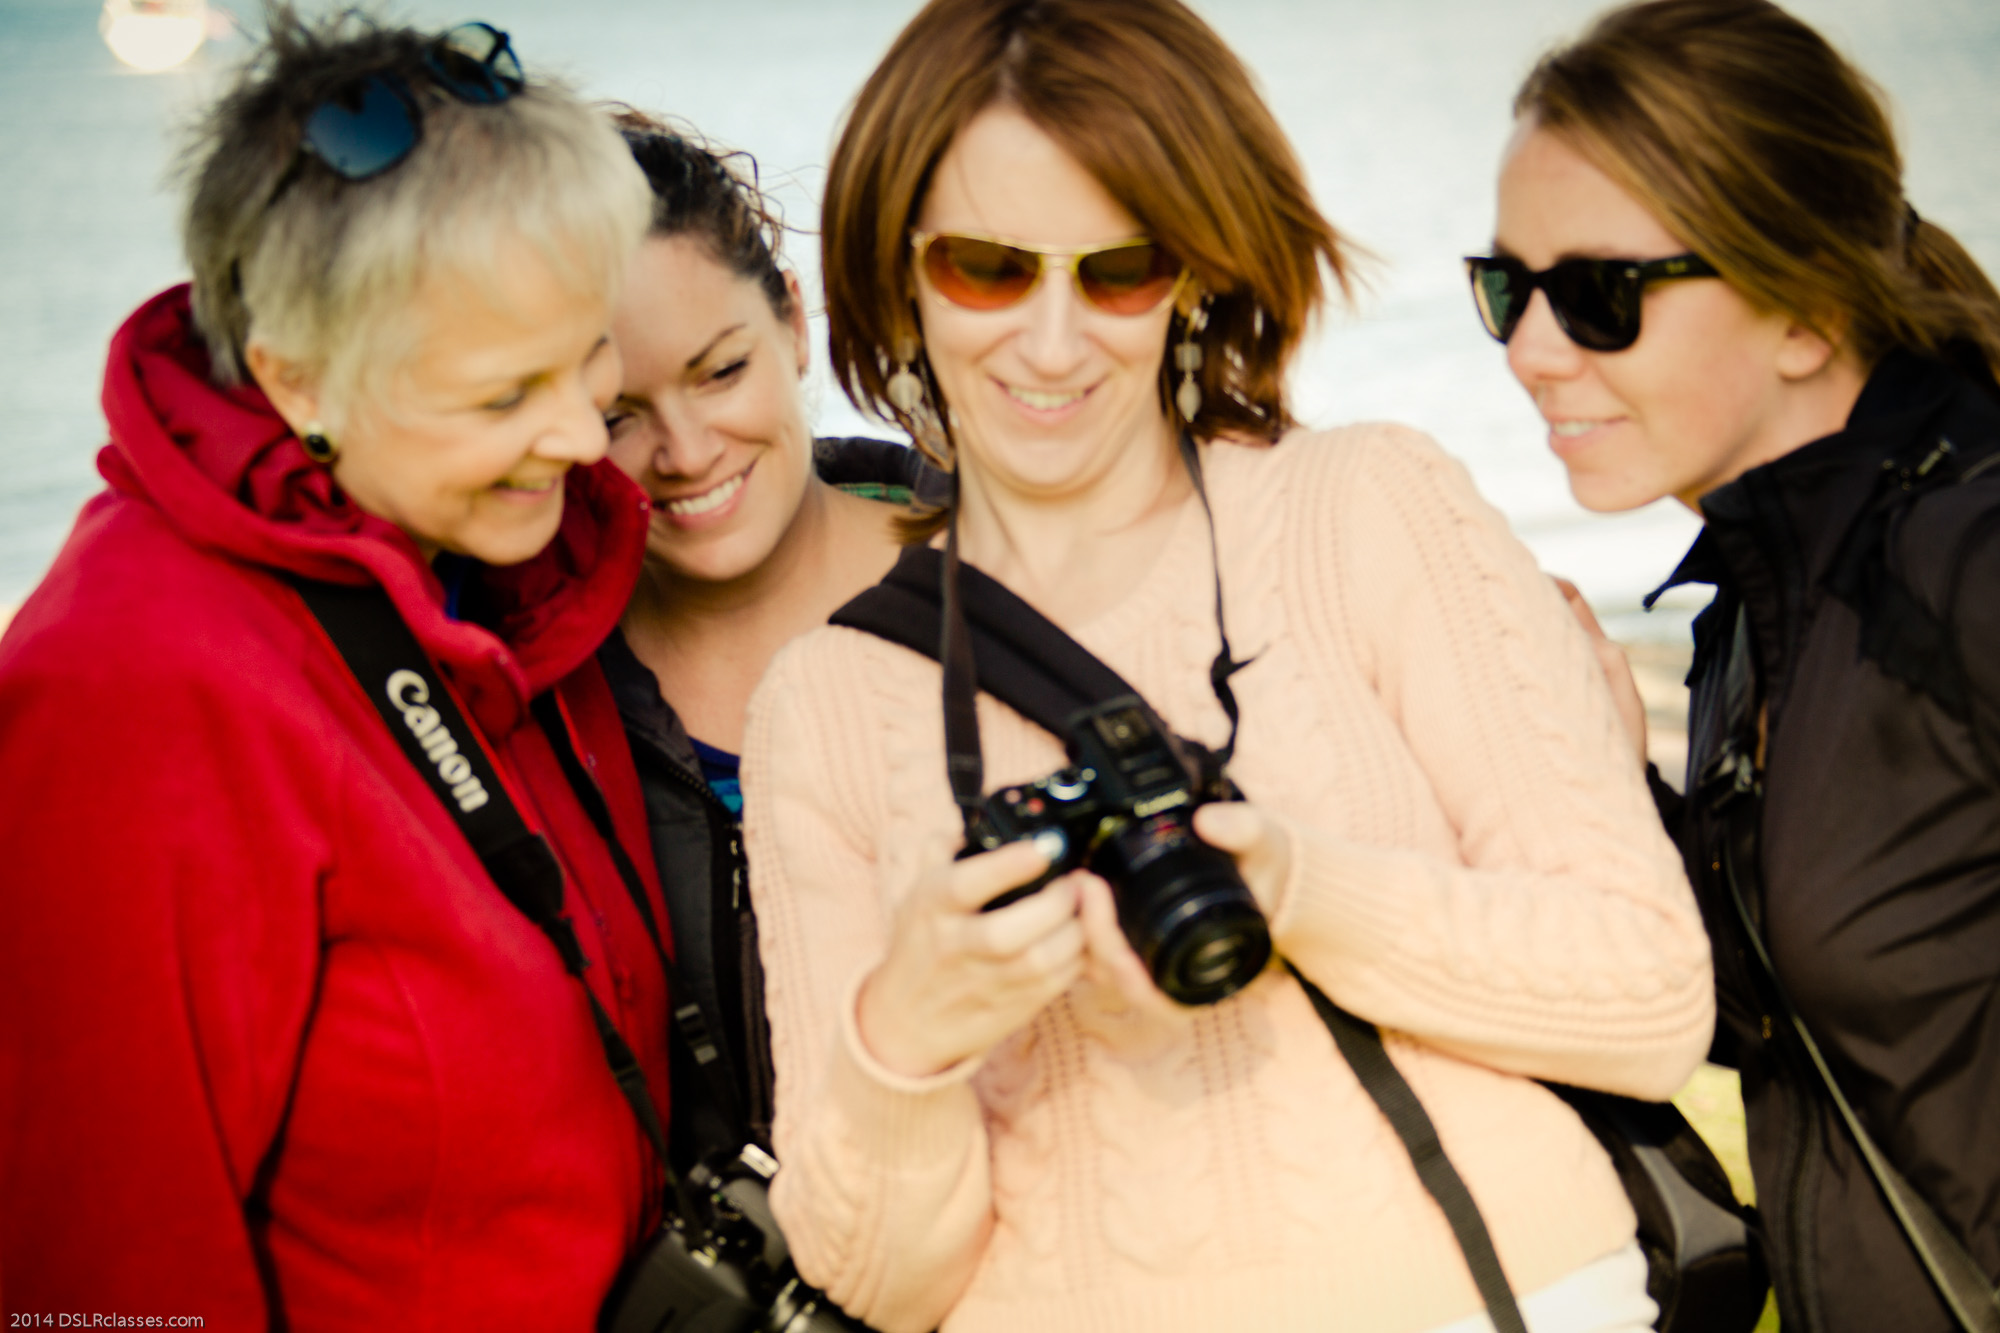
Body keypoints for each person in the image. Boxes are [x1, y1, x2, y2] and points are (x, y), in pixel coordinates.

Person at [738, 1, 1714, 1330]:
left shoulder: (1367, 506)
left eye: (1120, 269)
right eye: (987, 267)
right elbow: (878, 1282)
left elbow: (1650, 996)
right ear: (896, 273)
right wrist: (905, 1034)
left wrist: (1301, 890)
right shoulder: (824, 702)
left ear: (1193, 274)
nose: (1053, 339)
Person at [0, 11, 674, 1326]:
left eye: (589, 349)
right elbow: (95, 1275)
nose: (584, 433)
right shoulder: (130, 682)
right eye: (503, 394)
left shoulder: (498, 551)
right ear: (297, 378)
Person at [1474, 2, 2000, 1329]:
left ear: (1806, 311)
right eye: (1507, 289)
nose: (1530, 352)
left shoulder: (1969, 556)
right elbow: (1801, 1003)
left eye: (1598, 297)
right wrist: (1611, 782)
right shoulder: (1760, 600)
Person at [595, 112, 924, 1165]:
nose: (686, 451)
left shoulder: (1010, 587)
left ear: (790, 319)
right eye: (616, 416)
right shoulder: (535, 689)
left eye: (720, 371)